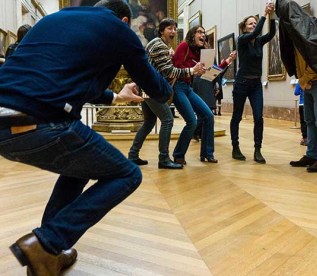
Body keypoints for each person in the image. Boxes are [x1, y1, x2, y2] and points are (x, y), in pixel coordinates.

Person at [0, 0, 172, 274]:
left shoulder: (54, 19)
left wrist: (116, 96)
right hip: (43, 121)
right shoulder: (120, 30)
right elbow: (159, 91)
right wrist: (169, 82)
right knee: (127, 175)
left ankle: (47, 257)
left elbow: (61, 81)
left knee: (79, 168)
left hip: (5, 124)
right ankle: (46, 242)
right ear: (125, 20)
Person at [128, 18, 205, 169]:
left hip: (147, 88)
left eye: (175, 29)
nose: (173, 32)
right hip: (152, 90)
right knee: (168, 120)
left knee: (149, 122)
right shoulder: (159, 46)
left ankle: (133, 155)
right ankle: (163, 159)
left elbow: (160, 66)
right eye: (169, 28)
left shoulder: (157, 44)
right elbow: (169, 71)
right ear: (162, 30)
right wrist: (192, 70)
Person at [276, 0, 317, 172]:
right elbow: (299, 60)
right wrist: (303, 79)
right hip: (309, 80)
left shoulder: (311, 25)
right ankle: (311, 154)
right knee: (310, 119)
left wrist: (305, 79)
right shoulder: (295, 32)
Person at [230, 2, 276, 164]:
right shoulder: (242, 40)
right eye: (250, 23)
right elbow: (257, 32)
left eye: (255, 23)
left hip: (256, 84)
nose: (253, 26)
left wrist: (271, 16)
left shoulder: (258, 41)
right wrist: (265, 13)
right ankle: (235, 147)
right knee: (237, 116)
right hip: (241, 83)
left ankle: (258, 149)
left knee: (259, 117)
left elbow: (271, 34)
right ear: (244, 27)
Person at [171, 25, 217, 164]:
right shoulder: (184, 46)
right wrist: (193, 70)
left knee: (208, 116)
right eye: (199, 32)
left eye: (204, 33)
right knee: (192, 121)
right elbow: (175, 68)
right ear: (192, 35)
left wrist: (201, 71)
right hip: (178, 86)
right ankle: (178, 154)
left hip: (188, 87)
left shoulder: (200, 52)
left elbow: (204, 71)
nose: (202, 35)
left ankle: (207, 153)